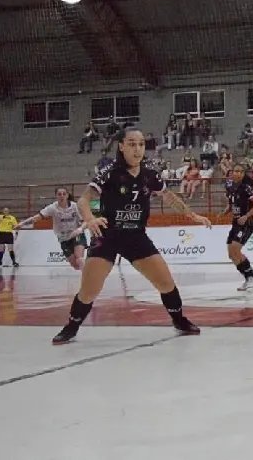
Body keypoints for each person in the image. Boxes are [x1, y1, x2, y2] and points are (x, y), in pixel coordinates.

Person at [51, 127, 211, 345]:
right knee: (89, 291)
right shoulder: (110, 172)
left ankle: (179, 320)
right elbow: (83, 200)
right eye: (132, 144)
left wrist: (192, 215)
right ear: (121, 146)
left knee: (166, 283)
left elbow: (168, 196)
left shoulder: (150, 173)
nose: (137, 149)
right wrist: (89, 220)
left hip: (136, 236)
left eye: (141, 144)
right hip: (107, 235)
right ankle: (71, 327)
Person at [16, 188, 88, 270]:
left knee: (79, 259)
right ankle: (88, 267)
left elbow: (86, 221)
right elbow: (36, 218)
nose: (62, 196)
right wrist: (22, 223)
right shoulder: (52, 208)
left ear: (67, 195)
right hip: (63, 238)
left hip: (76, 234)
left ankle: (88, 280)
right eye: (59, 194)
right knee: (75, 265)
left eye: (64, 194)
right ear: (56, 196)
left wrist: (80, 229)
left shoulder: (75, 206)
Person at [219, 164, 253, 291]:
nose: (238, 174)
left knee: (236, 250)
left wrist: (246, 216)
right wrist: (224, 212)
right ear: (232, 173)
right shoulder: (230, 186)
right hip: (235, 223)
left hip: (246, 224)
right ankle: (247, 278)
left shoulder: (246, 188)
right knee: (231, 254)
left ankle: (251, 277)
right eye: (236, 171)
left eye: (241, 172)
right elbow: (231, 203)